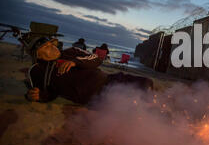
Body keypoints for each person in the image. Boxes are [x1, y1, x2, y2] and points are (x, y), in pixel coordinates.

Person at [25, 37, 153, 104]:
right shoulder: (37, 71)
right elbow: (48, 93)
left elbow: (96, 59)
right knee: (133, 105)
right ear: (38, 55)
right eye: (46, 47)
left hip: (109, 79)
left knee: (147, 84)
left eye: (51, 44)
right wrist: (39, 96)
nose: (52, 47)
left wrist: (75, 62)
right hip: (95, 97)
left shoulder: (71, 51)